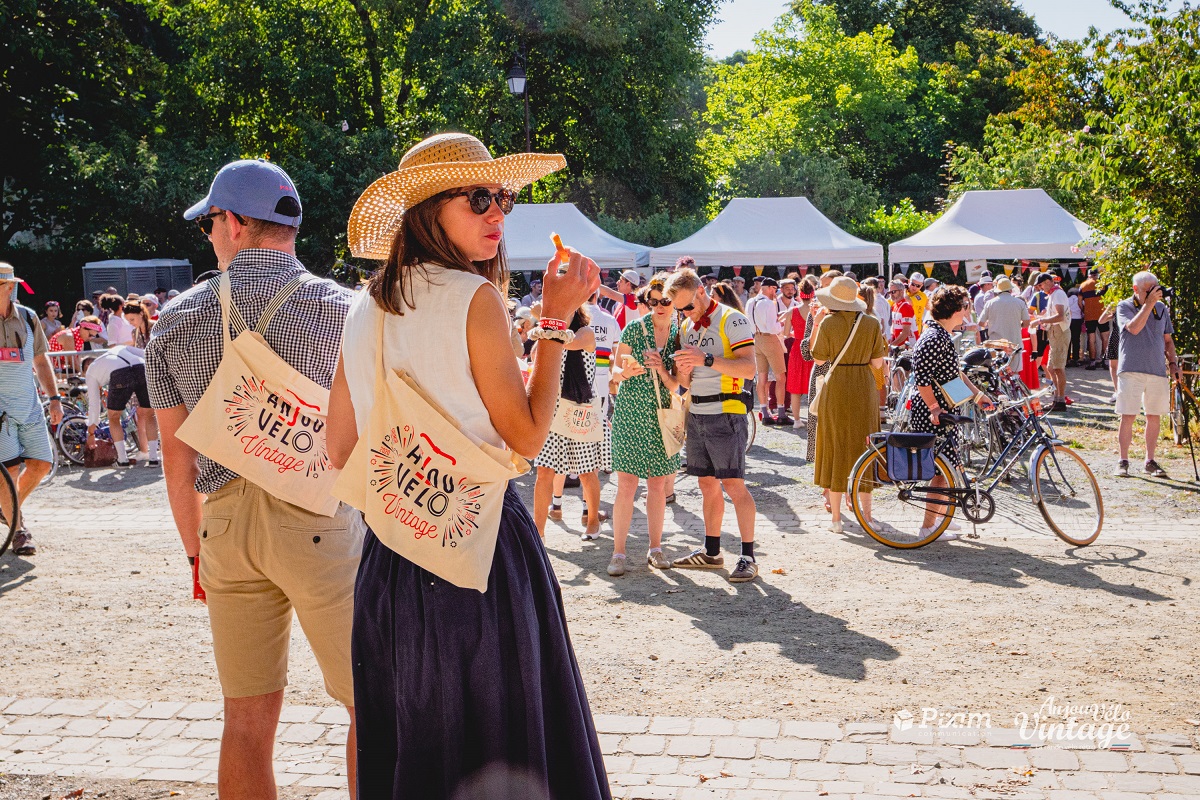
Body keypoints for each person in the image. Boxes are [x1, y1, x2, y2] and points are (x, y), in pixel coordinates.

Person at [327, 131, 610, 799]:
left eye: (503, 198)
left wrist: (414, 480)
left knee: (411, 743)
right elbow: (529, 435)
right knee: (503, 738)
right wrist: (555, 321)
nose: (498, 213)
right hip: (480, 544)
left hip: (393, 550)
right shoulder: (473, 298)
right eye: (479, 197)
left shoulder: (363, 305)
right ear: (428, 208)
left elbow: (341, 448)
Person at [146, 158, 365, 800]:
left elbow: (175, 454)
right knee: (371, 706)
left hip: (226, 525)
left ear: (237, 224)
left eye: (211, 221)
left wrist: (195, 550)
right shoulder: (347, 310)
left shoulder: (176, 320)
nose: (209, 234)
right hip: (321, 520)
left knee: (245, 719)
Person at [665, 268, 760, 583]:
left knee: (733, 484)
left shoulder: (732, 319)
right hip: (697, 411)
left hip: (727, 409)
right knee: (705, 483)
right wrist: (682, 369)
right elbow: (684, 380)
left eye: (687, 307)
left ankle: (748, 555)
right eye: (679, 310)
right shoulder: (688, 325)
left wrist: (705, 359)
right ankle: (712, 551)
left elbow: (749, 368)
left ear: (701, 292)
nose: (684, 314)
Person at [606, 276, 681, 576]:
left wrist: (660, 368)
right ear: (647, 303)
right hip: (631, 410)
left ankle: (656, 548)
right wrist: (626, 372)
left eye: (665, 301)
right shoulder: (635, 329)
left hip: (663, 413)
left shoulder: (680, 334)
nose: (660, 306)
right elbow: (614, 372)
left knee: (658, 485)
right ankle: (619, 552)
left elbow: (677, 385)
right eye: (654, 301)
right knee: (626, 484)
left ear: (675, 302)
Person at [908, 285, 995, 540]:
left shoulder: (941, 335)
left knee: (949, 468)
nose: (967, 311)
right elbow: (922, 378)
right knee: (939, 473)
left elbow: (954, 374)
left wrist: (978, 396)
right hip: (932, 412)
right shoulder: (935, 337)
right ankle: (928, 527)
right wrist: (935, 408)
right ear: (955, 310)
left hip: (941, 409)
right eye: (965, 306)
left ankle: (940, 519)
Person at [808, 277, 887, 532]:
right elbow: (877, 363)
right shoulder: (872, 323)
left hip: (838, 383)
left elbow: (819, 358)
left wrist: (818, 324)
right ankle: (868, 516)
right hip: (864, 385)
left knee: (834, 444)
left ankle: (836, 520)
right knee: (865, 444)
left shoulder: (829, 323)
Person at [0, 263, 65, 556]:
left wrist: (54, 399)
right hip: (0, 410)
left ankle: (7, 509)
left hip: (28, 405)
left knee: (41, 465)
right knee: (9, 471)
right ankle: (19, 530)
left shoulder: (27, 316)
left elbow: (40, 361)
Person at [531, 307, 605, 540]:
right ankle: (538, 532)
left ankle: (593, 522)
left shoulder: (585, 332)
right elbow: (535, 357)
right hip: (551, 410)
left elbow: (570, 343)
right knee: (544, 472)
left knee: (586, 472)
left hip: (578, 409)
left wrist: (547, 325)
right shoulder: (548, 331)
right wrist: (545, 327)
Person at [1113, 271, 1179, 478]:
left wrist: (1174, 363)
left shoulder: (1161, 308)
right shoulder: (1124, 306)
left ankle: (1150, 460)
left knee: (1154, 415)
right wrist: (1148, 304)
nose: (1153, 293)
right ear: (1135, 289)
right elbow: (1133, 328)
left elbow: (1168, 340)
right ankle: (1123, 460)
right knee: (1128, 415)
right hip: (1131, 368)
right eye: (1147, 289)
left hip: (1157, 369)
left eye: (1155, 288)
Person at [83, 345, 159, 466]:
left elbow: (94, 405)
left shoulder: (90, 373)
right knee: (149, 414)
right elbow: (146, 353)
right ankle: (154, 458)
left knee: (113, 417)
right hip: (141, 368)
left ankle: (122, 460)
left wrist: (91, 432)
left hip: (119, 375)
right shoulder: (119, 348)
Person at [800, 270, 842, 470]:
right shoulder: (816, 312)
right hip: (821, 374)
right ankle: (822, 471)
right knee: (817, 425)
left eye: (827, 285)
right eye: (821, 286)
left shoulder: (854, 315)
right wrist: (816, 322)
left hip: (843, 375)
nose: (821, 290)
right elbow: (808, 354)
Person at [745, 277, 791, 425]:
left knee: (762, 377)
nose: (775, 293)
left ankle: (765, 412)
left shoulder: (750, 301)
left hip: (756, 339)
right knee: (781, 377)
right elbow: (773, 328)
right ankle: (781, 411)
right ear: (770, 288)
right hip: (769, 339)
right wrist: (781, 324)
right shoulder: (768, 303)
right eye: (774, 290)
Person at [1029, 273, 1070, 411]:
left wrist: (1041, 320)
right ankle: (1057, 399)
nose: (1040, 288)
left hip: (1060, 331)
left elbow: (1060, 315)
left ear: (1047, 282)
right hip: (1054, 332)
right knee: (1052, 368)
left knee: (1058, 368)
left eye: (1040, 285)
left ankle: (1060, 400)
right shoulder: (1053, 294)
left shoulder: (1057, 293)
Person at [783, 277, 816, 430]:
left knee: (795, 387)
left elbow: (785, 333)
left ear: (800, 293)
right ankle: (814, 418)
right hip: (814, 347)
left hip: (797, 348)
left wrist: (797, 334)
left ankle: (797, 420)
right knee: (815, 385)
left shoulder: (792, 311)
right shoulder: (817, 309)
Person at [978, 276, 1030, 370]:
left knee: (998, 373)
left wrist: (990, 324)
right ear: (1010, 290)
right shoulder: (1020, 303)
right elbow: (1026, 322)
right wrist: (1019, 325)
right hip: (1014, 343)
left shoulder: (990, 303)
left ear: (998, 290)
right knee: (1014, 374)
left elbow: (981, 322)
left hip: (996, 344)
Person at [886, 278, 915, 349]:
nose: (891, 295)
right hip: (899, 346)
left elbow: (905, 332)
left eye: (893, 292)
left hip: (908, 347)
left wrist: (891, 345)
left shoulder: (906, 306)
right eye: (890, 293)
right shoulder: (894, 306)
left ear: (902, 292)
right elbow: (894, 328)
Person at [1067, 287, 1084, 366]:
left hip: (1069, 320)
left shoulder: (1067, 300)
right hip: (1078, 320)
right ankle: (1075, 358)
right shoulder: (1080, 300)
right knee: (1076, 340)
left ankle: (1067, 359)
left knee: (1068, 340)